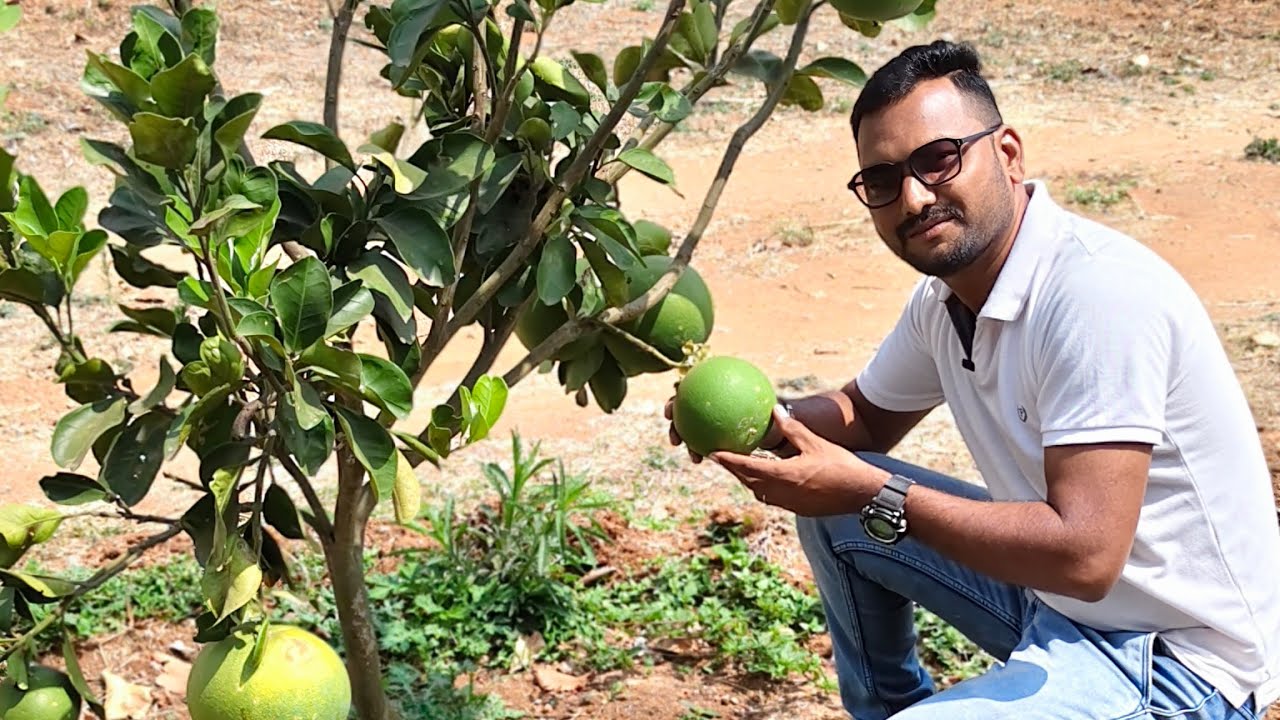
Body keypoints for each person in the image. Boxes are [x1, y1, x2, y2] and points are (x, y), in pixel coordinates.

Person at [665, 39, 1280, 719]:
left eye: (939, 158)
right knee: (844, 516)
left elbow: (1085, 557)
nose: (915, 196)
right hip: (1059, 610)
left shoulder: (1097, 295)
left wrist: (877, 490)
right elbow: (862, 418)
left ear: (1008, 153)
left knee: (860, 496)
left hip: (1177, 664)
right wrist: (753, 421)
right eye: (882, 179)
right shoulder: (946, 304)